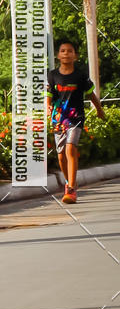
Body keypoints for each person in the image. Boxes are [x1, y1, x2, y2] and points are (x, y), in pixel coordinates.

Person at [47, 38, 105, 204]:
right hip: (58, 119)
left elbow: (91, 94)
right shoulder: (52, 75)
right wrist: (48, 107)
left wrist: (99, 110)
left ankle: (71, 189)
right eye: (63, 51)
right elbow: (48, 95)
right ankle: (68, 182)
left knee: (71, 148)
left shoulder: (80, 75)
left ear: (76, 56)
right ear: (58, 55)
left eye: (70, 51)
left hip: (76, 117)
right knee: (60, 156)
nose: (66, 53)